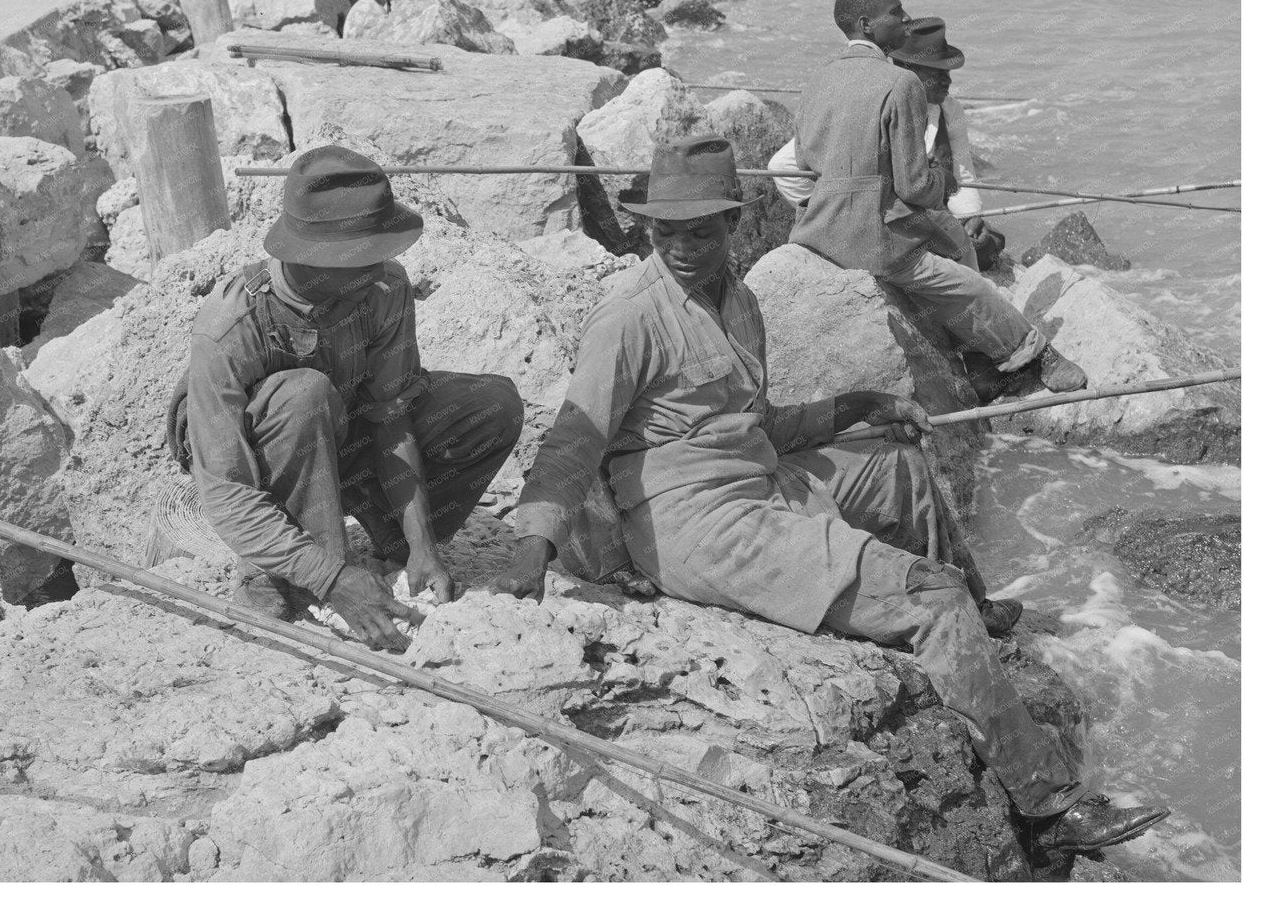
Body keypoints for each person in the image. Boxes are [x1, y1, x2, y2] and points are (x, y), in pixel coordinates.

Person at [491, 135, 1170, 855]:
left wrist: (857, 405)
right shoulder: (629, 316)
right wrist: (535, 543)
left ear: (732, 221)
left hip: (757, 473)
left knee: (900, 465)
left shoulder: (740, 299)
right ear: (648, 228)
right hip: (696, 521)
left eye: (700, 229)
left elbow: (759, 425)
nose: (683, 246)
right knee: (928, 596)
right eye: (667, 231)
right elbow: (574, 439)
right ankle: (1047, 803)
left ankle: (975, 614)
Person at [168, 145, 524, 653]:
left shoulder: (381, 288)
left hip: (343, 444)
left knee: (491, 404)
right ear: (309, 258)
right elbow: (225, 488)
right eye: (362, 260)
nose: (380, 270)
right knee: (303, 395)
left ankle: (390, 540)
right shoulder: (230, 328)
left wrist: (421, 542)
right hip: (270, 468)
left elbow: (391, 414)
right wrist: (332, 578)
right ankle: (295, 575)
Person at [790, 0, 1086, 393]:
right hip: (869, 239)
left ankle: (976, 356)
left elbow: (804, 161)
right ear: (866, 25)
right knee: (967, 284)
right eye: (895, 12)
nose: (904, 18)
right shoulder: (899, 83)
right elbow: (913, 186)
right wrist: (941, 183)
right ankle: (1034, 354)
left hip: (814, 229)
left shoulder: (818, 78)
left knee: (954, 245)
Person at [769, 16, 1005, 271]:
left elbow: (962, 170)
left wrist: (970, 216)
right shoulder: (870, 103)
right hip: (874, 219)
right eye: (936, 73)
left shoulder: (949, 109)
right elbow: (783, 167)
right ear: (907, 71)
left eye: (947, 72)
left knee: (984, 244)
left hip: (924, 210)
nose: (947, 80)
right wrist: (828, 209)